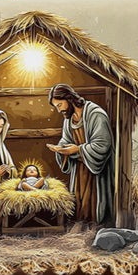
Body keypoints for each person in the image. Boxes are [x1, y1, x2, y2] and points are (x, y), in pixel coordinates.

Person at [48, 84, 115, 227]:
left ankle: (97, 228)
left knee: (94, 202)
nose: (59, 110)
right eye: (56, 107)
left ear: (69, 99)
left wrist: (77, 150)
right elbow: (66, 140)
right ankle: (81, 227)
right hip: (79, 170)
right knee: (78, 202)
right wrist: (61, 148)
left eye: (60, 105)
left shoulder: (96, 114)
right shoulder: (68, 119)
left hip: (95, 170)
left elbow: (103, 145)